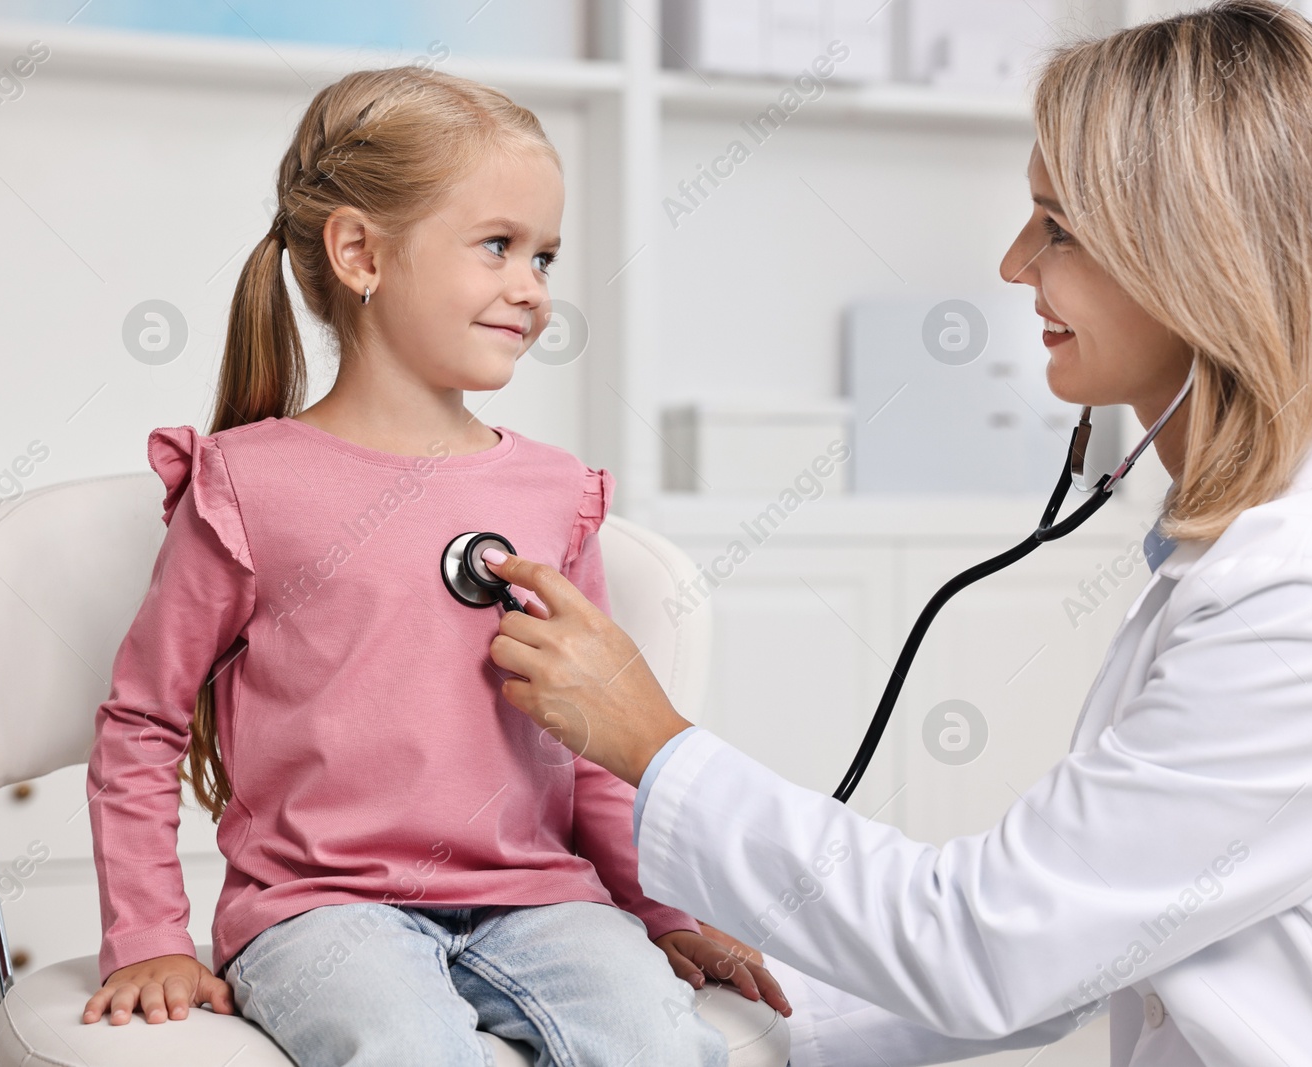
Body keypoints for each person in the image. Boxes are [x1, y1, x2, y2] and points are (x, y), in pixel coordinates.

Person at [475, 3, 1312, 1064]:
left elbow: (993, 940)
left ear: (1207, 261)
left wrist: (650, 741)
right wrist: (750, 1005)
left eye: (1058, 226)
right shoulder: (1269, 554)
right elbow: (1077, 942)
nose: (1011, 262)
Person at [78, 66, 787, 1066]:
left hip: (539, 897)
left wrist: (660, 908)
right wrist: (147, 935)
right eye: (497, 245)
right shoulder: (245, 486)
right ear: (361, 252)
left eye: (544, 253)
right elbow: (143, 721)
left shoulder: (552, 493)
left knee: (659, 1046)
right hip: (322, 910)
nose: (532, 285)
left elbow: (592, 738)